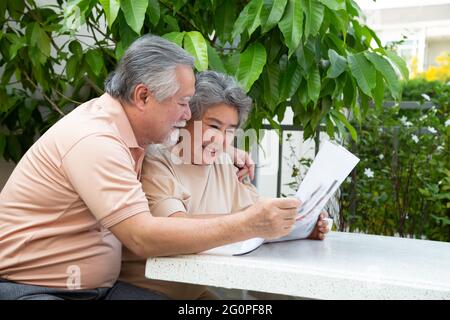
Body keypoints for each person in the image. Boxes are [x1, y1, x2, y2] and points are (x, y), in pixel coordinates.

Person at [0, 35, 301, 300]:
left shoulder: (130, 135)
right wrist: (248, 223)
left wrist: (221, 146)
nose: (187, 114)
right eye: (183, 102)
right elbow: (142, 237)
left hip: (95, 291)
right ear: (143, 96)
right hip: (32, 289)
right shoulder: (97, 140)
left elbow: (182, 145)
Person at [119, 71, 330, 300]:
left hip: (193, 291)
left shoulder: (226, 163)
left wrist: (298, 225)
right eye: (213, 126)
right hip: (147, 291)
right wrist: (253, 222)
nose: (221, 139)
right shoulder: (158, 161)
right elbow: (174, 227)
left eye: (230, 130)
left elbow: (257, 223)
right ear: (185, 119)